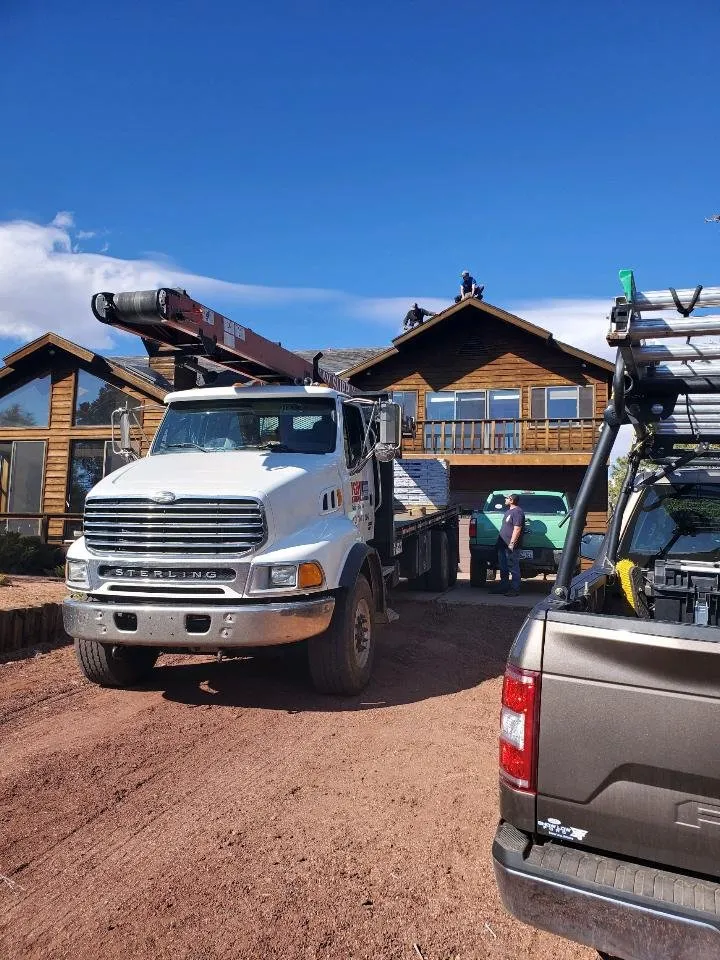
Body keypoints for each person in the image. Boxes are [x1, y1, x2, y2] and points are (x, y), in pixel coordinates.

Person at [491, 493, 525, 596]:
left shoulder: (518, 512)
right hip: (502, 545)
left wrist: (512, 544)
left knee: (513, 567)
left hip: (510, 546)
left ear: (511, 500)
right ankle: (503, 587)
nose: (505, 499)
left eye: (507, 498)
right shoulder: (508, 512)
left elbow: (517, 528)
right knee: (503, 567)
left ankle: (515, 589)